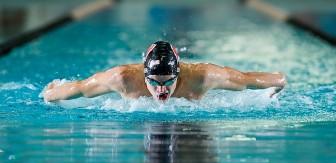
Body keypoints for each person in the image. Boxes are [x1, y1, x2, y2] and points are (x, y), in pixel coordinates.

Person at [43, 41, 286, 102]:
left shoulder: (202, 77)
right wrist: (50, 94)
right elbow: (81, 88)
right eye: (155, 82)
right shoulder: (123, 78)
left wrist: (277, 84)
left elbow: (246, 79)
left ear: (179, 74)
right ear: (143, 75)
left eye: (169, 81)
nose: (161, 89)